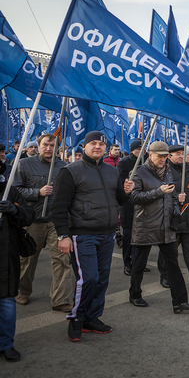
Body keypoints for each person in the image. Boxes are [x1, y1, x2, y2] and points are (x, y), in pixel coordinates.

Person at [52, 131, 134, 342]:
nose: (97, 146)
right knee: (88, 278)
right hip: (82, 234)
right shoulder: (69, 171)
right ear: (85, 146)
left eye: (101, 144)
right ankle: (76, 318)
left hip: (107, 233)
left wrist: (126, 192)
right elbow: (59, 206)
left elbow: (118, 201)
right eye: (93, 143)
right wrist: (63, 235)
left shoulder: (113, 171)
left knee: (102, 279)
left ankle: (92, 317)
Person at [128, 141, 189, 313]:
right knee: (139, 263)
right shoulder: (138, 172)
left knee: (173, 264)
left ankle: (180, 302)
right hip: (146, 224)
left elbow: (172, 194)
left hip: (166, 224)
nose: (162, 159)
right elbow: (134, 198)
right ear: (150, 154)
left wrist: (175, 209)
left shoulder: (167, 171)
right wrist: (158, 192)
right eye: (159, 156)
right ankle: (135, 294)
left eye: (165, 156)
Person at [13, 134, 72, 311]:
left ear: (57, 148)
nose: (48, 148)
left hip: (56, 221)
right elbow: (14, 191)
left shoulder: (64, 167)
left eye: (52, 145)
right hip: (33, 220)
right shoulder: (24, 164)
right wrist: (37, 192)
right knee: (27, 259)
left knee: (62, 260)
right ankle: (22, 292)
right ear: (38, 146)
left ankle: (60, 299)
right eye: (45, 144)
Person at [157, 144, 189, 289]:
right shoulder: (164, 171)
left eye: (182, 153)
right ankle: (165, 276)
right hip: (172, 216)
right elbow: (159, 192)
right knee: (169, 251)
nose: (181, 156)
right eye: (177, 154)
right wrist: (174, 197)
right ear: (169, 156)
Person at [0, 161, 35, 362]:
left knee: (6, 301)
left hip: (6, 255)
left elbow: (29, 216)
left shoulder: (9, 191)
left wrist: (14, 211)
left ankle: (6, 343)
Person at [116, 139, 150, 276]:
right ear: (132, 150)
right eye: (138, 149)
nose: (141, 151)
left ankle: (138, 262)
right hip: (129, 203)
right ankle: (127, 262)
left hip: (143, 201)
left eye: (143, 149)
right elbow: (121, 182)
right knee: (128, 235)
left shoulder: (147, 162)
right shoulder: (124, 163)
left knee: (141, 235)